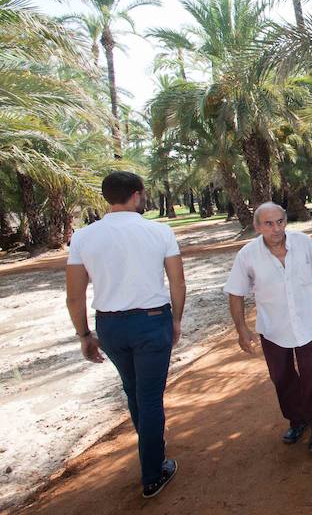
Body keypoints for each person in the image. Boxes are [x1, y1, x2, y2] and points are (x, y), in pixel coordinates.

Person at [65, 171, 186, 499]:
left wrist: (84, 335)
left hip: (110, 326)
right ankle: (153, 471)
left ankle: (151, 446)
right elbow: (177, 281)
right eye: (143, 194)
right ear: (136, 195)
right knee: (148, 397)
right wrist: (176, 320)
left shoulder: (83, 237)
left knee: (133, 391)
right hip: (151, 321)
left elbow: (75, 295)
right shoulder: (159, 231)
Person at [224, 202, 312, 453]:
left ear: (286, 221)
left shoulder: (304, 243)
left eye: (280, 222)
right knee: (282, 377)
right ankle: (298, 421)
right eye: (268, 223)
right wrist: (242, 329)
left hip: (307, 322)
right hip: (273, 328)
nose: (276, 229)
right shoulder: (247, 255)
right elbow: (236, 293)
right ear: (257, 226)